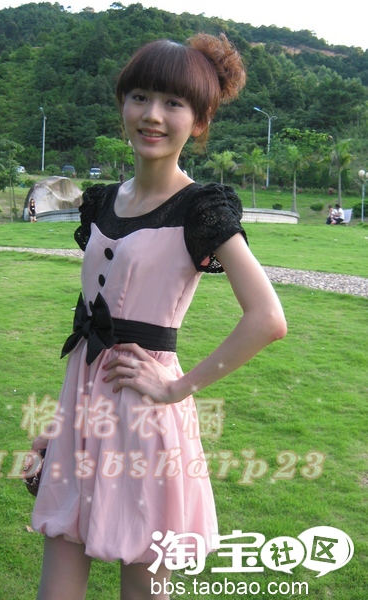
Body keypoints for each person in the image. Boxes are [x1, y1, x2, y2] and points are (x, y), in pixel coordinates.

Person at [30, 33, 287, 600]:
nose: (152, 115)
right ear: (123, 103)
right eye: (140, 97)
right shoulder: (102, 202)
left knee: (143, 582)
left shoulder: (202, 208)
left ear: (199, 120)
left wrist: (176, 387)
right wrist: (59, 423)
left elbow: (268, 317)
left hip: (146, 418)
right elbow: (91, 328)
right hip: (83, 413)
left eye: (174, 103)